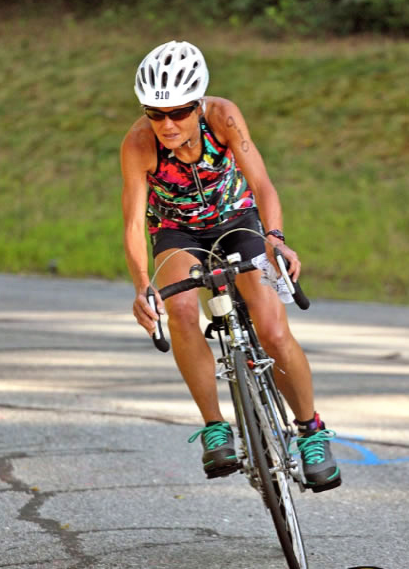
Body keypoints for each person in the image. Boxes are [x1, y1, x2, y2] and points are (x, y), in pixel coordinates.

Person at [120, 40, 341, 492]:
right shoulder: (139, 143)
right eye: (154, 112)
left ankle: (310, 430)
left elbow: (261, 182)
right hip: (176, 229)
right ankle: (215, 425)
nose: (166, 124)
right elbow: (131, 221)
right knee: (180, 308)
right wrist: (143, 286)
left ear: (198, 104)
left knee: (273, 330)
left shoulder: (223, 117)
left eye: (178, 112)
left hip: (238, 219)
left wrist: (276, 239)